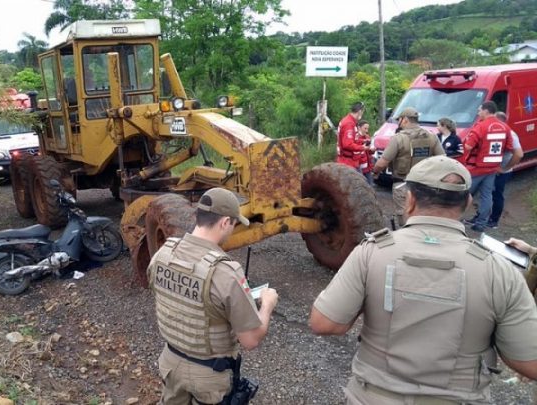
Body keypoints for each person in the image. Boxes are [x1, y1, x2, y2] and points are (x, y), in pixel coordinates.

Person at [310, 156, 537, 404]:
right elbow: (530, 364)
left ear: (410, 200)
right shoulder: (498, 270)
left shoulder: (372, 252)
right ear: (468, 202)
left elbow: (324, 323)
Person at [148, 187, 279, 404]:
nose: (232, 229)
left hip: (170, 363)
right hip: (209, 376)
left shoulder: (163, 254)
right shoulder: (225, 273)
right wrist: (267, 304)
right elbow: (251, 339)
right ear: (224, 222)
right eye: (234, 224)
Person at [372, 107, 445, 226]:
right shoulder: (432, 137)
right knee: (422, 213)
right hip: (425, 184)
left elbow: (382, 162)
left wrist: (375, 171)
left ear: (405, 120)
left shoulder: (398, 138)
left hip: (402, 184)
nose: (398, 122)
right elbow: (442, 159)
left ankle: (406, 237)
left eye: (399, 119)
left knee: (404, 216)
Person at [460, 101, 518, 232]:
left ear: (486, 111)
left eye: (480, 110)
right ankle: (481, 223)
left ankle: (452, 220)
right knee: (487, 196)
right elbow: (509, 148)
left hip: (475, 168)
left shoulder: (480, 126)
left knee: (463, 194)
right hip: (493, 168)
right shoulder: (505, 127)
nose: (478, 112)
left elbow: (468, 146)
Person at [487, 112, 524, 228]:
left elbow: (519, 154)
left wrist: (505, 168)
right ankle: (481, 216)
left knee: (496, 194)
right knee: (486, 194)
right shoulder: (492, 131)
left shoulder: (511, 135)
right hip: (490, 169)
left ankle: (494, 220)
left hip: (501, 171)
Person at [336, 102, 372, 170]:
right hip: (347, 162)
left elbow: (352, 139)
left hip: (350, 162)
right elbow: (348, 144)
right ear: (360, 111)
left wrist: (364, 140)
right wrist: (362, 147)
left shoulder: (350, 121)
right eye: (362, 112)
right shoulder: (349, 123)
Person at [356, 120, 375, 185]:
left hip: (368, 167)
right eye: (365, 128)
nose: (367, 131)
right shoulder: (355, 138)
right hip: (359, 167)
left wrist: (372, 150)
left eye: (367, 129)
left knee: (369, 186)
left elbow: (369, 152)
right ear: (359, 128)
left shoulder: (367, 137)